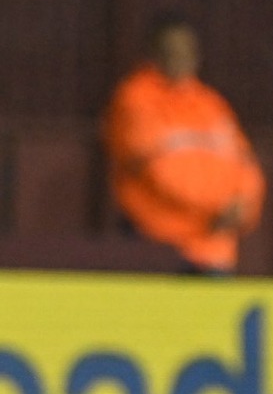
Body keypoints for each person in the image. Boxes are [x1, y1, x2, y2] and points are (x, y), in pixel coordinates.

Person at [101, 15, 264, 275]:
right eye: (171, 50)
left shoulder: (211, 103)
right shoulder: (135, 99)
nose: (181, 57)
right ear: (154, 54)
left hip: (214, 250)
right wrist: (216, 208)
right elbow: (158, 170)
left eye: (187, 50)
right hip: (158, 248)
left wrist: (243, 207)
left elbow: (245, 163)